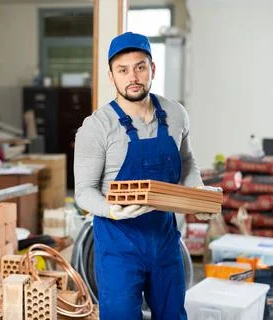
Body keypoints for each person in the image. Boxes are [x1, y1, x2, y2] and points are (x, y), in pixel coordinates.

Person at [74, 32, 216, 319]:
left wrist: (197, 198)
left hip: (164, 240)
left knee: (173, 315)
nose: (133, 76)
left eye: (140, 67)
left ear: (153, 69)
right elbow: (84, 191)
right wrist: (112, 210)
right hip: (119, 247)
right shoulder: (96, 127)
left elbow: (186, 161)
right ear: (111, 77)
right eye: (122, 70)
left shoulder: (176, 114)